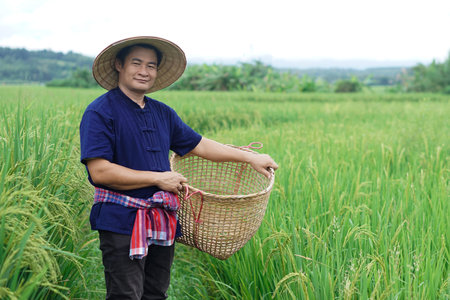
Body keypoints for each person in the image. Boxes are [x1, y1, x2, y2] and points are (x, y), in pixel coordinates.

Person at [79, 36, 278, 300]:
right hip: (121, 220)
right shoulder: (100, 112)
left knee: (155, 293)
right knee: (126, 295)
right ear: (119, 64)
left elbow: (200, 145)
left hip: (162, 217)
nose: (144, 71)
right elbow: (100, 172)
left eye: (151, 66)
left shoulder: (163, 113)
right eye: (136, 63)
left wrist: (249, 157)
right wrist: (159, 179)